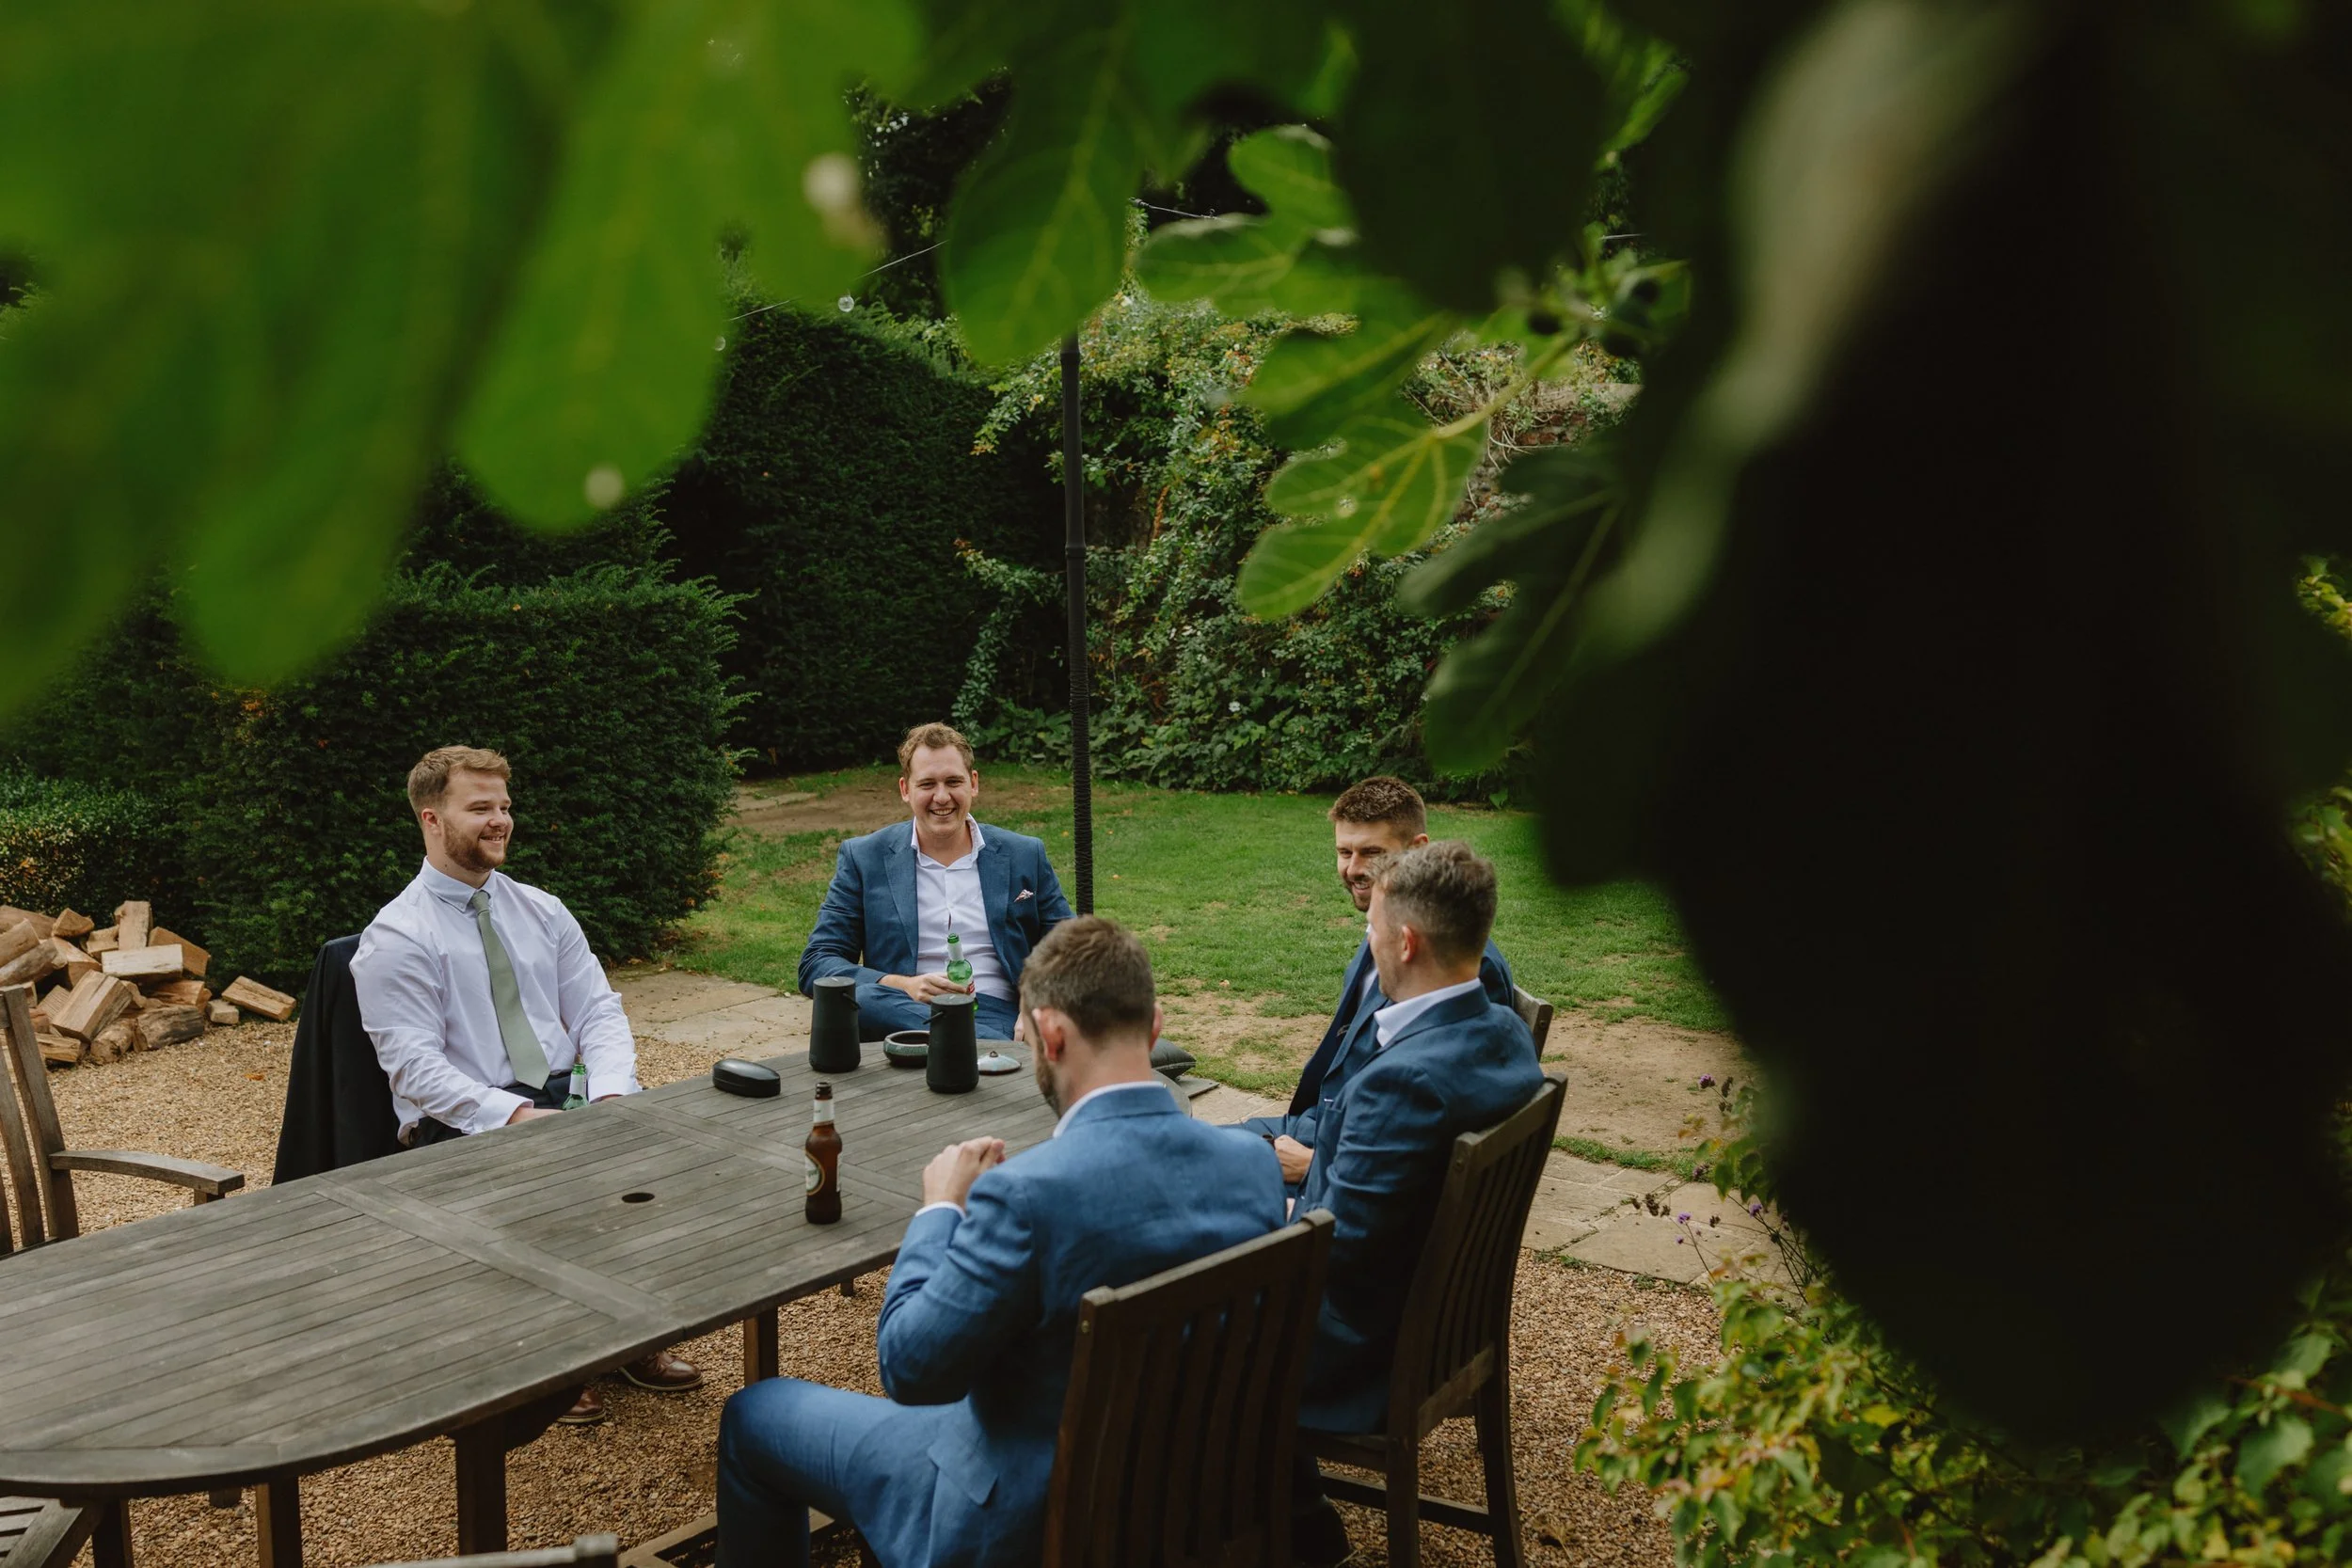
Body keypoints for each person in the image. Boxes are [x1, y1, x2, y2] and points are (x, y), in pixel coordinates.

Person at [717, 917, 1286, 1568]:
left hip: (1024, 1520)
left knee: (754, 1414)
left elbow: (910, 1369)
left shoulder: (1026, 1195)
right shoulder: (1250, 1163)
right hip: (1190, 1494)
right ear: (1154, 1025)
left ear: (1048, 1033)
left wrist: (938, 1212)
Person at [351, 744, 699, 1423]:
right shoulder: (395, 936)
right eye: (479, 807)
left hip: (565, 1092)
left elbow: (598, 1008)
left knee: (660, 1157)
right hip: (466, 1120)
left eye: (504, 805)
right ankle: (559, 1363)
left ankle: (627, 1336)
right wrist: (513, 1116)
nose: (500, 820)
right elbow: (415, 1069)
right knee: (546, 1175)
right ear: (431, 818)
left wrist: (611, 1093)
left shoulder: (542, 909)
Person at [1287, 841, 1545, 1564]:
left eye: (1372, 928)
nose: (1367, 940)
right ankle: (1301, 1518)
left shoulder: (1399, 1083)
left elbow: (1336, 1256)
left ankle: (1271, 1529)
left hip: (1369, 1352)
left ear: (1405, 941)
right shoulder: (1501, 1031)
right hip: (1441, 1329)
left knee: (1170, 1327)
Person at [1242, 777, 1518, 1190]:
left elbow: (1446, 1136)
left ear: (1418, 849)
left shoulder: (1461, 969)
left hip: (1346, 1154)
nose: (1353, 868)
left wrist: (1315, 1166)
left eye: (1372, 853)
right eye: (1343, 851)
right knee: (1183, 1148)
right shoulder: (1383, 933)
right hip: (1321, 1124)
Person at [799, 722, 1074, 1041]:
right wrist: (904, 984)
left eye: (953, 782)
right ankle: (995, 1050)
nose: (941, 797)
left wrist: (1035, 1001)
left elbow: (1068, 945)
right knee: (862, 998)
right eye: (927, 784)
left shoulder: (1024, 853)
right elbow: (817, 963)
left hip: (1001, 1012)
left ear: (973, 783)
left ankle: (980, 1043)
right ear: (905, 789)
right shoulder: (864, 857)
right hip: (905, 1013)